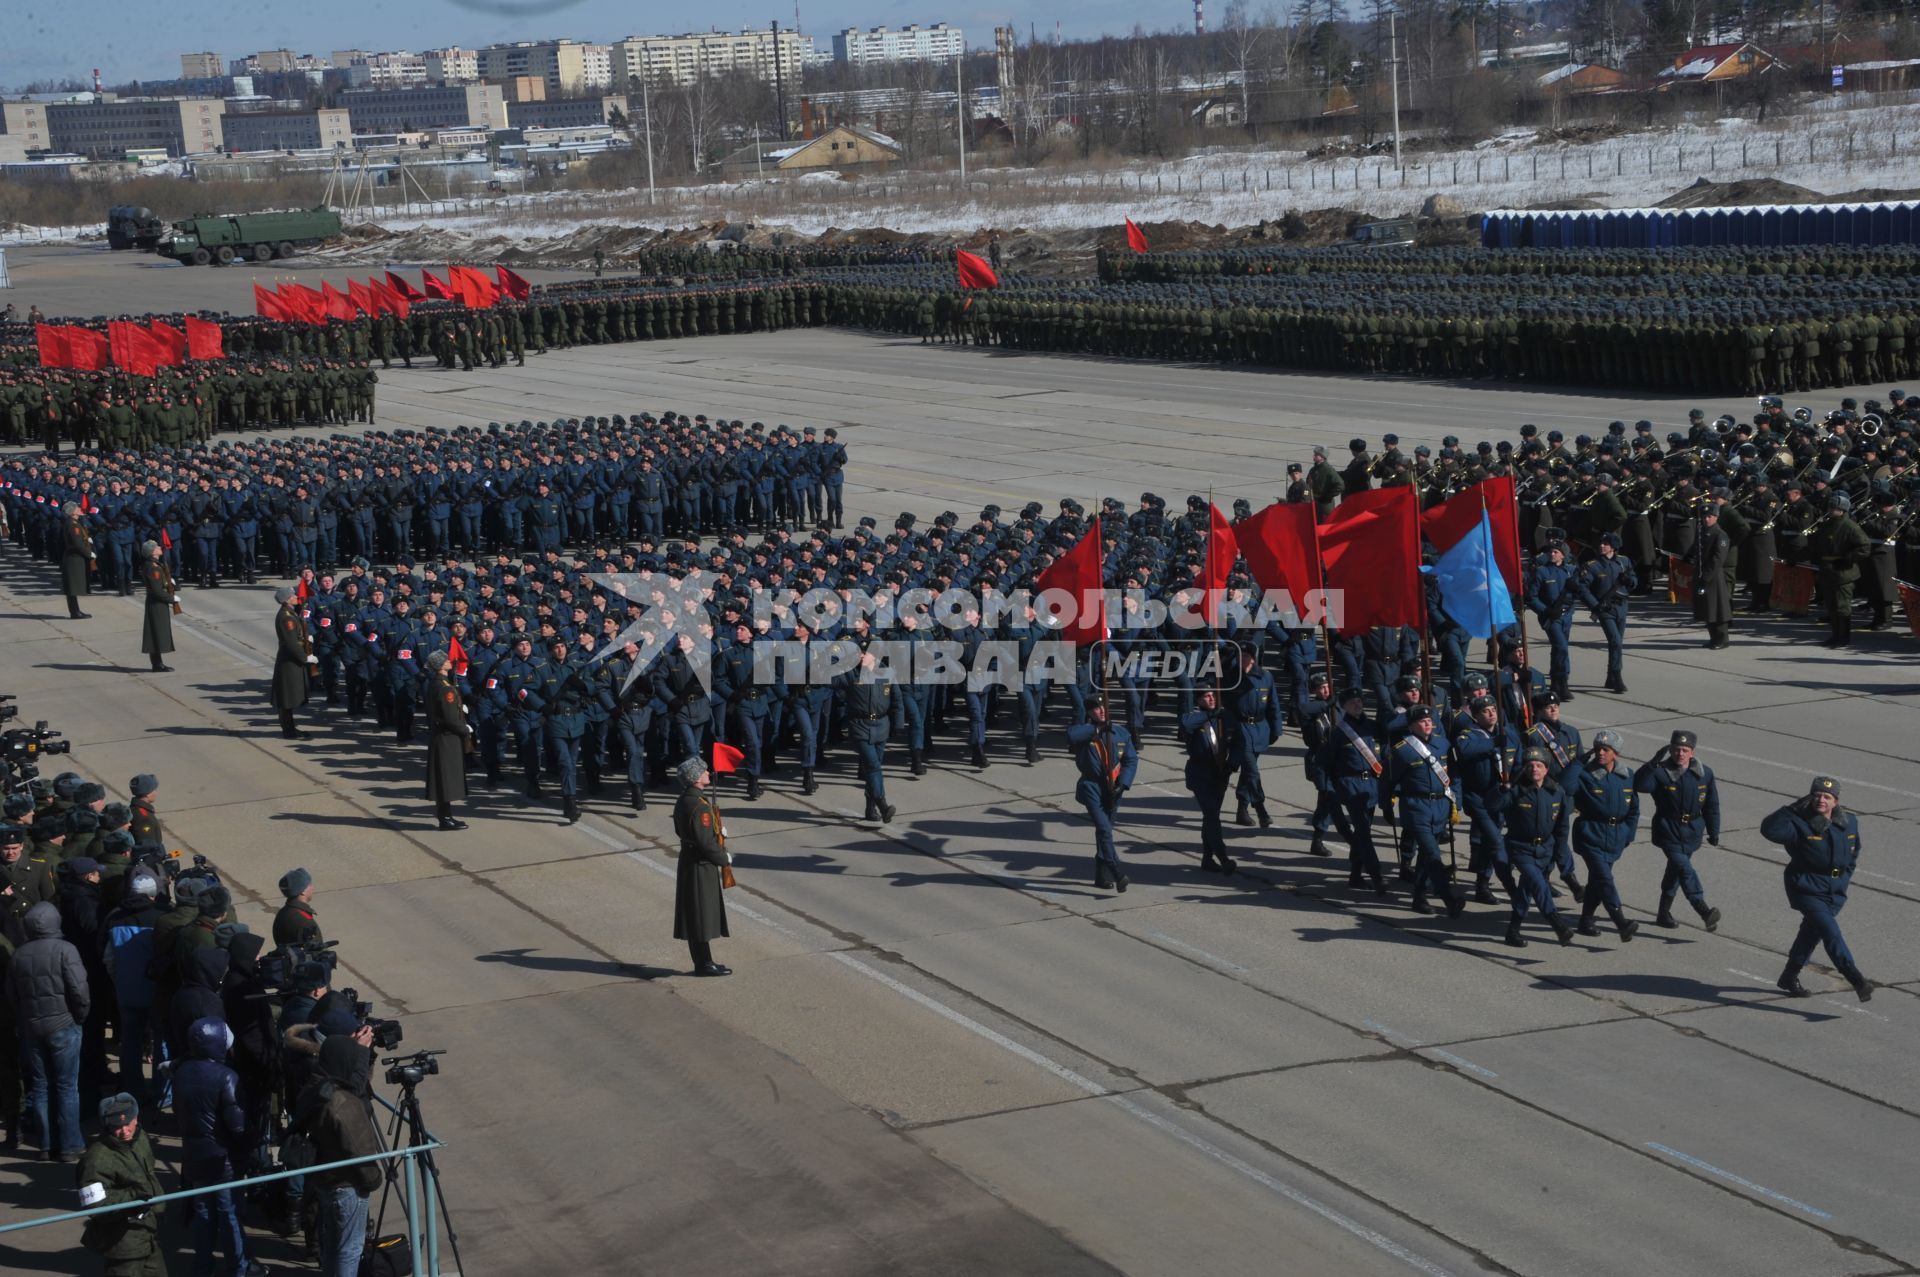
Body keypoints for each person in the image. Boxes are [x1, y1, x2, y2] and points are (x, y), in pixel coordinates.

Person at [1761, 776, 1872, 1001]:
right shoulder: (1799, 823)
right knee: (1830, 933)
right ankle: (1856, 978)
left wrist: (1845, 877)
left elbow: (1854, 851)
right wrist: (1790, 809)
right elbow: (1769, 831)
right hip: (1806, 888)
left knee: (1810, 934)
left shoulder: (1849, 822)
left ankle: (1788, 977)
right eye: (1817, 795)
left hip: (1835, 891)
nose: (1821, 799)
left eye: (1827, 796)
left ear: (1836, 801)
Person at [175, 1016, 265, 1277]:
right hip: (222, 1159)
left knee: (204, 1214)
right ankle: (239, 1267)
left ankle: (202, 1266)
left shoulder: (182, 1072)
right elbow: (237, 1127)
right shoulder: (226, 1077)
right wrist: (253, 1140)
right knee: (229, 1215)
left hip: (194, 1156)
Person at [7, 900, 90, 1160]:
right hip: (64, 1024)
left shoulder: (19, 954)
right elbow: (79, 990)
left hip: (33, 1027)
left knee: (41, 1086)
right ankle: (70, 1145)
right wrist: (79, 1016)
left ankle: (45, 1143)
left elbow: (12, 995)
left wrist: (26, 1019)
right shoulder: (66, 950)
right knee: (67, 1086)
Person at [302, 1031, 382, 1277]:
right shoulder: (343, 1103)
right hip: (347, 1185)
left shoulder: (314, 1089)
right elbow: (360, 1148)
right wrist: (372, 1180)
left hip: (325, 1180)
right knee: (350, 1248)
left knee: (332, 1244)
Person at [1634, 729, 1722, 930]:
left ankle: (1663, 914)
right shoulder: (1660, 771)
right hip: (1668, 830)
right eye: (1675, 749)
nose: (1679, 754)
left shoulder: (1704, 773)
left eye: (1684, 750)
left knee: (1675, 871)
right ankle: (1702, 908)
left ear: (1692, 752)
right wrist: (1651, 764)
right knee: (1684, 868)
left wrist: (1714, 830)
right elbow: (1640, 786)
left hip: (1692, 831)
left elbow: (1712, 804)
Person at [75, 1092, 166, 1277]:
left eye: (128, 1123)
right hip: (122, 1241)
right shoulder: (96, 1159)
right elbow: (94, 1205)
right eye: (117, 1126)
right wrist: (132, 1199)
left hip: (147, 1232)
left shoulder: (140, 1138)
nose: (125, 1131)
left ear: (136, 1118)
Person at [1390, 705, 1465, 917]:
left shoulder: (1443, 744)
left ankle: (1419, 896)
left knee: (1425, 856)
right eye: (1423, 722)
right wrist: (1386, 805)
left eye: (1430, 721)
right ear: (1412, 726)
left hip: (1440, 806)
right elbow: (1389, 781)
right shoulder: (1402, 750)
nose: (1428, 724)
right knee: (1432, 852)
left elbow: (1455, 776)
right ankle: (1449, 898)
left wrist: (1455, 801)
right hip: (1417, 807)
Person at [1570, 730, 1640, 942]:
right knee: (1605, 879)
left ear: (1615, 753)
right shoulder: (1584, 774)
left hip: (1616, 836)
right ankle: (1621, 922)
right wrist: (1576, 765)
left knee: (1597, 881)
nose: (1600, 753)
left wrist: (1628, 833)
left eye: (1605, 750)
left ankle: (1586, 920)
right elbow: (1565, 787)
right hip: (1590, 835)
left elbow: (1634, 809)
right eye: (1598, 748)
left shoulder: (1626, 775)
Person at [1503, 748, 1577, 947]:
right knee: (1539, 884)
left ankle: (1513, 931)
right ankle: (1557, 924)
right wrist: (1504, 788)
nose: (1534, 769)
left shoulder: (1556, 791)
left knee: (1525, 890)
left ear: (1546, 769)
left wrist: (1560, 854)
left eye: (1539, 765)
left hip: (1545, 849)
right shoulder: (1516, 791)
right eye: (1530, 766)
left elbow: (1562, 827)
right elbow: (1492, 805)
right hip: (1521, 848)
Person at [1066, 701, 1139, 891]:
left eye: (1104, 707)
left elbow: (1130, 760)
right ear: (1090, 712)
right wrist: (1095, 730)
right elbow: (1072, 735)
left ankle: (1100, 875)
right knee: (1104, 829)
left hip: (1113, 789)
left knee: (1104, 832)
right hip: (1092, 787)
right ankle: (1116, 870)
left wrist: (1123, 785)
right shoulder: (1085, 731)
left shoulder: (1120, 733)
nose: (1102, 711)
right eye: (1097, 709)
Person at [672, 757, 732, 976]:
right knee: (700, 914)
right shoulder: (699, 806)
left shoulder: (686, 800)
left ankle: (704, 961)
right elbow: (704, 843)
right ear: (697, 778)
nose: (708, 773)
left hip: (690, 860)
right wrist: (724, 858)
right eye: (704, 771)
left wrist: (717, 832)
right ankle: (703, 964)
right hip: (700, 864)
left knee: (696, 914)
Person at [1324, 688, 1387, 895]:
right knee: (1364, 833)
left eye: (1359, 701)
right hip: (1351, 786)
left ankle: (1355, 874)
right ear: (1344, 706)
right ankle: (1377, 876)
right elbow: (1327, 764)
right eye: (1352, 702)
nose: (1358, 705)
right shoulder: (1339, 733)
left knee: (1363, 832)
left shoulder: (1372, 727)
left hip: (1372, 786)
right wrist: (1333, 789)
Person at [1179, 688, 1237, 874]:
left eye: (1213, 695)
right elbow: (1186, 724)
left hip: (1219, 773)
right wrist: (1211, 714)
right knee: (1212, 815)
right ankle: (1222, 856)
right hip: (1200, 774)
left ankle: (1207, 858)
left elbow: (1237, 738)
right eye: (1207, 696)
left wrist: (1231, 765)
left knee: (1211, 818)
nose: (1212, 698)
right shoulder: (1195, 717)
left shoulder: (1221, 716)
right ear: (1199, 700)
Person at [1576, 533, 1635, 694]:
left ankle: (1610, 677)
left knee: (1617, 643)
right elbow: (1582, 588)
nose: (1602, 546)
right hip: (1605, 610)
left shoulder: (1623, 562)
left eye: (1606, 544)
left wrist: (1630, 581)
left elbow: (1633, 580)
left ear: (1613, 547)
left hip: (1621, 608)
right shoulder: (1592, 566)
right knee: (1615, 641)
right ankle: (1617, 676)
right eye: (1601, 543)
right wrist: (1595, 605)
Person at [424, 650, 472, 830]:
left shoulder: (437, 683)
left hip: (441, 735)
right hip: (447, 738)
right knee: (445, 779)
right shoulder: (445, 687)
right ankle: (445, 819)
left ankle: (446, 816)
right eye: (445, 660)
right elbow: (450, 718)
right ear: (440, 665)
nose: (449, 661)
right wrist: (464, 729)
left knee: (443, 778)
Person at [272, 585, 317, 739]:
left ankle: (290, 728)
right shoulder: (287, 617)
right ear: (287, 599)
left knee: (288, 696)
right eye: (293, 595)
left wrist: (305, 639)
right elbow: (291, 643)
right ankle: (289, 731)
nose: (296, 597)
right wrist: (305, 658)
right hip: (289, 662)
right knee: (287, 697)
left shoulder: (290, 613)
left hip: (291, 660)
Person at [1690, 505, 1732, 650]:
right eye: (1704, 516)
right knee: (1707, 609)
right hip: (1702, 574)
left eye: (1709, 516)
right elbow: (1696, 548)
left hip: (1713, 577)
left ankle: (1722, 639)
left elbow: (1718, 559)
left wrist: (1706, 577)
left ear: (1716, 517)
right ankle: (1713, 638)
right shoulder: (1702, 531)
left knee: (1717, 609)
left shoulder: (1720, 535)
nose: (1706, 519)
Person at [138, 541, 176, 674]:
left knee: (156, 633)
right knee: (156, 634)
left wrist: (167, 581)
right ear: (152, 551)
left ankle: (157, 663)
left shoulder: (154, 565)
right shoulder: (153, 567)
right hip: (157, 604)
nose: (160, 548)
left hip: (157, 603)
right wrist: (172, 599)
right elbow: (156, 590)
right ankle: (157, 664)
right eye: (157, 547)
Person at [273, 867, 322, 948]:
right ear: (302, 891)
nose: (313, 888)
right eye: (309, 885)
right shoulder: (305, 921)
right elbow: (316, 952)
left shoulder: (283, 912)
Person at [62, 502, 94, 620]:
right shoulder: (73, 525)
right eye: (77, 508)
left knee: (72, 587)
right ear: (72, 512)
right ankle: (75, 612)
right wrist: (88, 553)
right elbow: (77, 544)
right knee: (72, 587)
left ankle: (75, 611)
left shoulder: (74, 523)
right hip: (74, 558)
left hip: (75, 557)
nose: (79, 509)